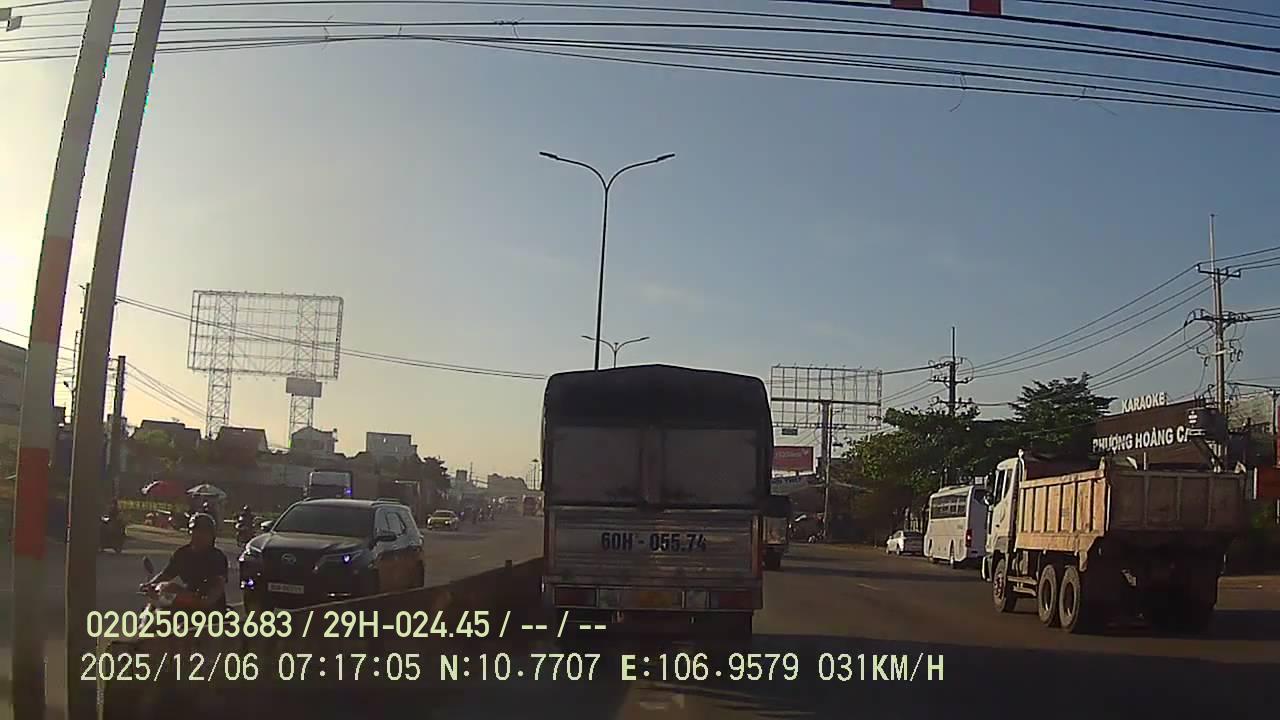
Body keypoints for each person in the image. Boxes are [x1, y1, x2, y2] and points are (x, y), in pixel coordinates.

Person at [139, 513, 228, 610]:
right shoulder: (182, 554)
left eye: (204, 532)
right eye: (196, 531)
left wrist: (206, 602)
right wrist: (150, 585)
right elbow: (166, 574)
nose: (199, 535)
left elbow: (218, 585)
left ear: (211, 535)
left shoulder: (217, 557)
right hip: (188, 600)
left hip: (211, 606)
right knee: (154, 609)